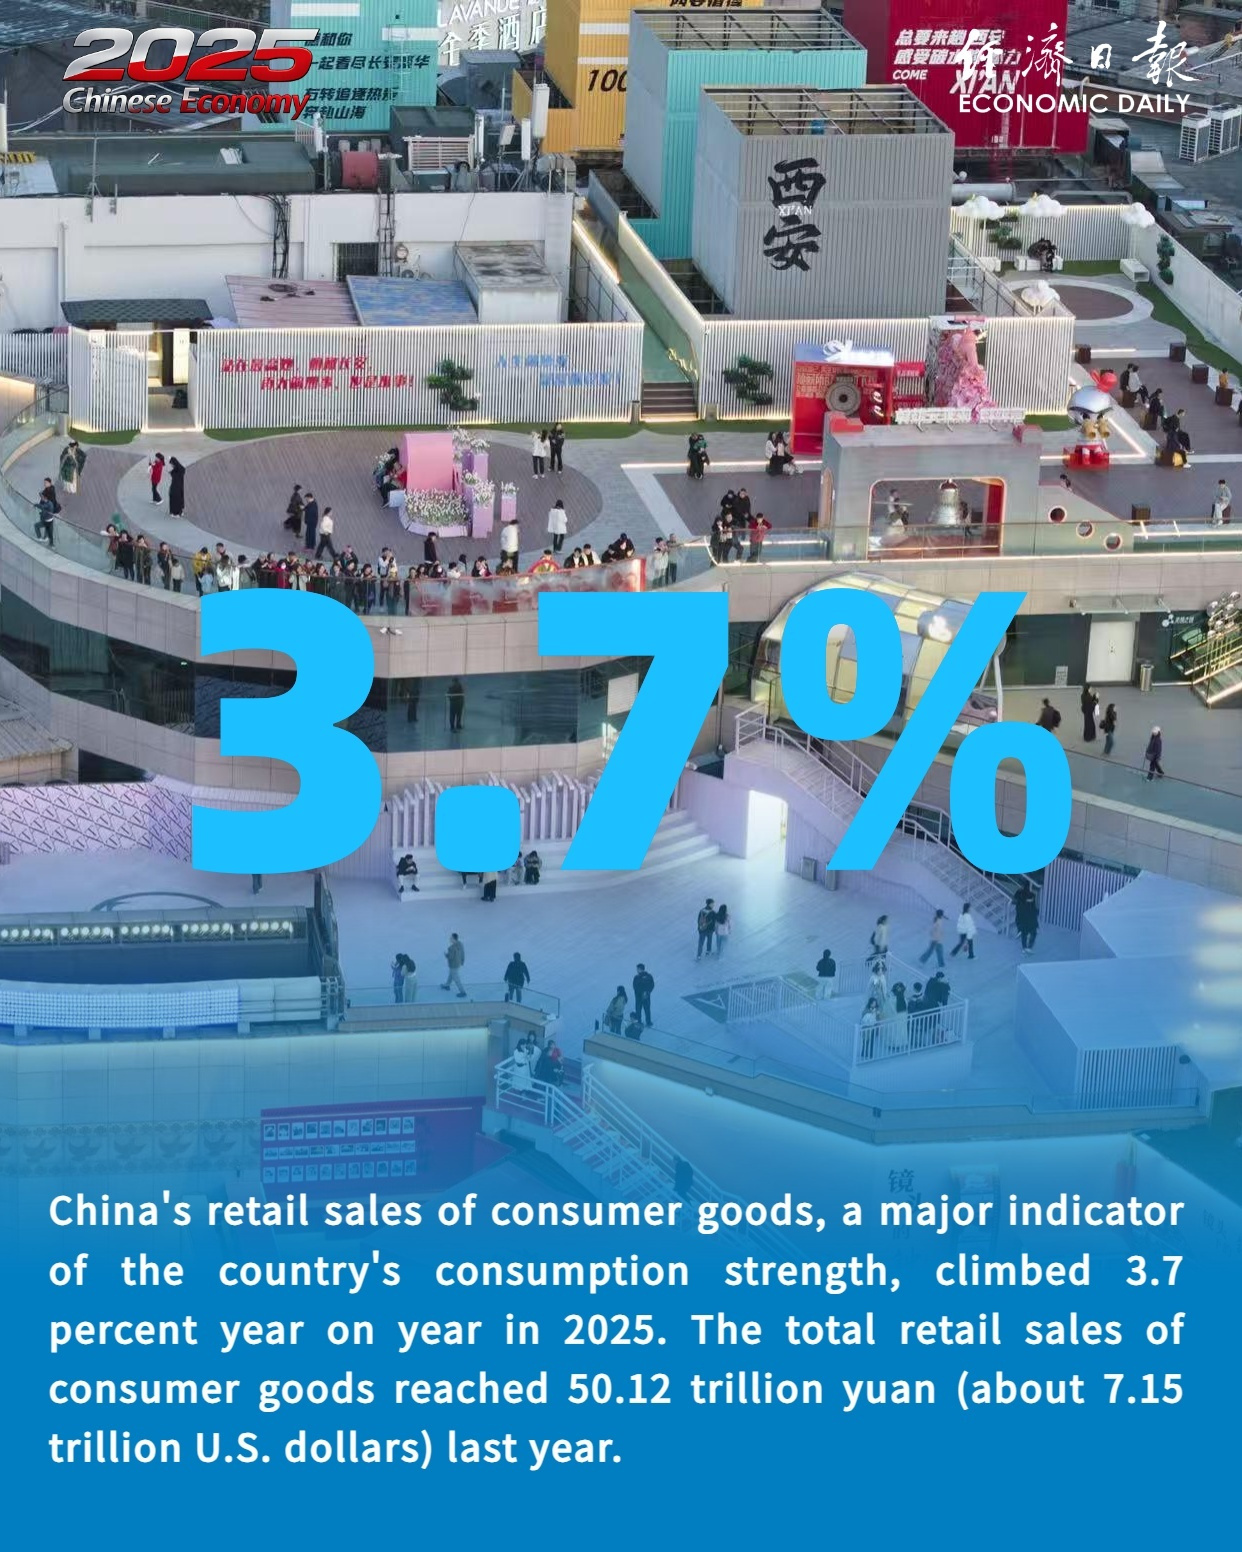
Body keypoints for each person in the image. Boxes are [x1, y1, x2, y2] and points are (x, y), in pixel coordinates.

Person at [1015, 883, 1039, 955]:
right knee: (1033, 932)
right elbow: (1034, 909)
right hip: (1031, 917)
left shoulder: (1019, 895)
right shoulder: (1032, 896)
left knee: (1024, 932)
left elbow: (1018, 909)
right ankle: (1029, 947)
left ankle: (1024, 947)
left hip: (1024, 917)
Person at [441, 933, 467, 997]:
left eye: (451, 938)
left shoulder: (451, 948)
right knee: (450, 975)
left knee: (456, 979)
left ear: (453, 939)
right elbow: (463, 953)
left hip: (453, 965)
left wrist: (446, 955)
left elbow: (450, 957)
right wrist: (462, 961)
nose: (450, 939)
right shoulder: (460, 944)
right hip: (458, 964)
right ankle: (447, 985)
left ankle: (463, 992)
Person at [35, 480, 59, 546]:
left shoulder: (48, 503)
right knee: (48, 528)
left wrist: (36, 505)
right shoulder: (49, 501)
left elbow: (42, 506)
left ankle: (43, 538)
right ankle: (46, 538)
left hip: (47, 519)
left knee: (37, 525)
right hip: (49, 519)